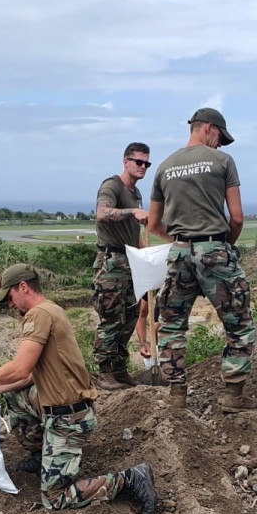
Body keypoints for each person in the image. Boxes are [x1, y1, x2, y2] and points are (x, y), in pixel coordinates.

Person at [0, 263, 158, 514]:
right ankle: (42, 454)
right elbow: (30, 376)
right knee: (15, 396)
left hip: (68, 419)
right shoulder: (51, 310)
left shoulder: (38, 315)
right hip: (63, 406)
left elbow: (21, 368)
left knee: (55, 498)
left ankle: (128, 479)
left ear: (23, 287)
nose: (10, 305)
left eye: (10, 298)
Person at [146, 107, 257, 413]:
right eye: (220, 136)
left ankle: (177, 397)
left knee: (171, 327)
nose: (220, 144)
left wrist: (183, 244)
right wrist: (221, 248)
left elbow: (154, 224)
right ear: (208, 128)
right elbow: (236, 218)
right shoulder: (222, 162)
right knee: (239, 324)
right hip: (215, 251)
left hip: (179, 255)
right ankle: (233, 397)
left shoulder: (165, 167)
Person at [93, 142, 151, 390]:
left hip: (130, 260)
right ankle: (104, 370)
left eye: (147, 163)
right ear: (126, 161)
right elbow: (102, 213)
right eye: (139, 162)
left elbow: (133, 231)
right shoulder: (112, 186)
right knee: (111, 318)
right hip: (111, 261)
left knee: (130, 316)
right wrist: (131, 212)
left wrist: (145, 254)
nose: (143, 167)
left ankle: (118, 368)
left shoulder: (136, 193)